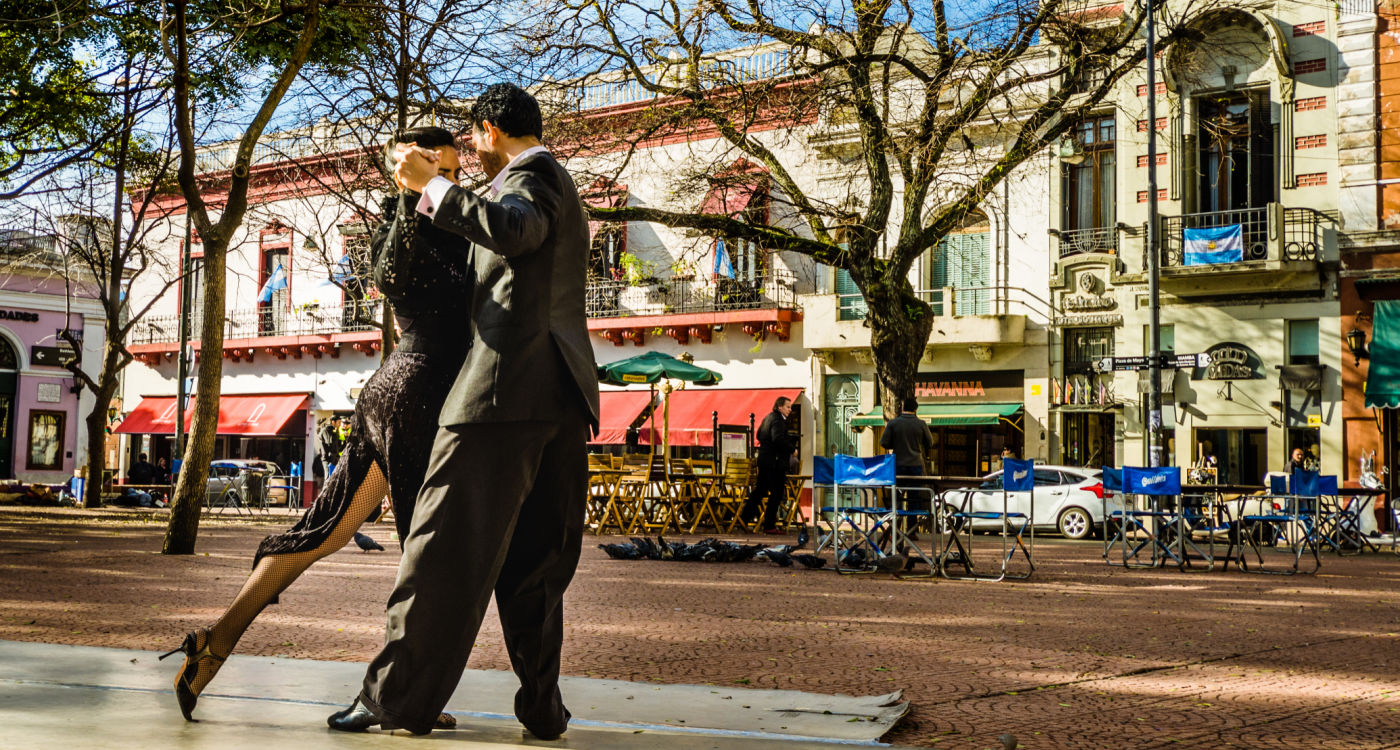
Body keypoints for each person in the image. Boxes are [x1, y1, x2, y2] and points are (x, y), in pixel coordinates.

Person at [160, 126, 474, 724]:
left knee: (324, 531)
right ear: (409, 168)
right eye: (442, 170)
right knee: (425, 554)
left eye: (456, 174)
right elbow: (390, 277)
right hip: (417, 397)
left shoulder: (456, 223)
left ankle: (213, 644)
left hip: (401, 394)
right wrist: (412, 195)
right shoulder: (405, 226)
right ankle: (399, 694)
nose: (452, 183)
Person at [325, 83, 599, 739]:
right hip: (562, 397)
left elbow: (513, 231)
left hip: (498, 397)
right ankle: (541, 708)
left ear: (488, 131)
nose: (471, 156)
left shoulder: (526, 181)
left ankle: (393, 701)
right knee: (537, 565)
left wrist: (431, 187)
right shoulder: (562, 184)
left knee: (438, 551)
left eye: (473, 142)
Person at [742, 396, 796, 534]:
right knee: (777, 493)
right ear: (780, 407)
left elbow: (759, 435)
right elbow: (777, 438)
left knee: (760, 491)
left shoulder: (768, 418)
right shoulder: (778, 421)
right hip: (775, 463)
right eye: (788, 407)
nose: (790, 409)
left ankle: (744, 518)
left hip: (764, 460)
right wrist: (791, 449)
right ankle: (769, 525)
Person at [882, 398, 935, 513]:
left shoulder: (893, 423)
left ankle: (895, 525)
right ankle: (912, 528)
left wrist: (895, 444)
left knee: (896, 496)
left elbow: (883, 442)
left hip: (898, 464)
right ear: (915, 409)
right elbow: (930, 443)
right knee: (913, 498)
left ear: (903, 408)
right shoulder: (921, 424)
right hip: (916, 464)